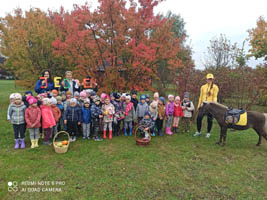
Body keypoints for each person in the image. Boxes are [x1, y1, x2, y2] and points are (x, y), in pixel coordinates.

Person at [194, 73, 219, 138]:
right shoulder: (203, 87)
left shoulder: (215, 87)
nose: (209, 80)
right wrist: (198, 106)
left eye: (211, 79)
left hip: (210, 105)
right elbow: (200, 97)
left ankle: (208, 133)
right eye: (208, 79)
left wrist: (214, 105)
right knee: (199, 118)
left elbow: (215, 97)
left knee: (209, 119)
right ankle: (198, 131)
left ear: (212, 79)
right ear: (206, 79)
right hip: (203, 105)